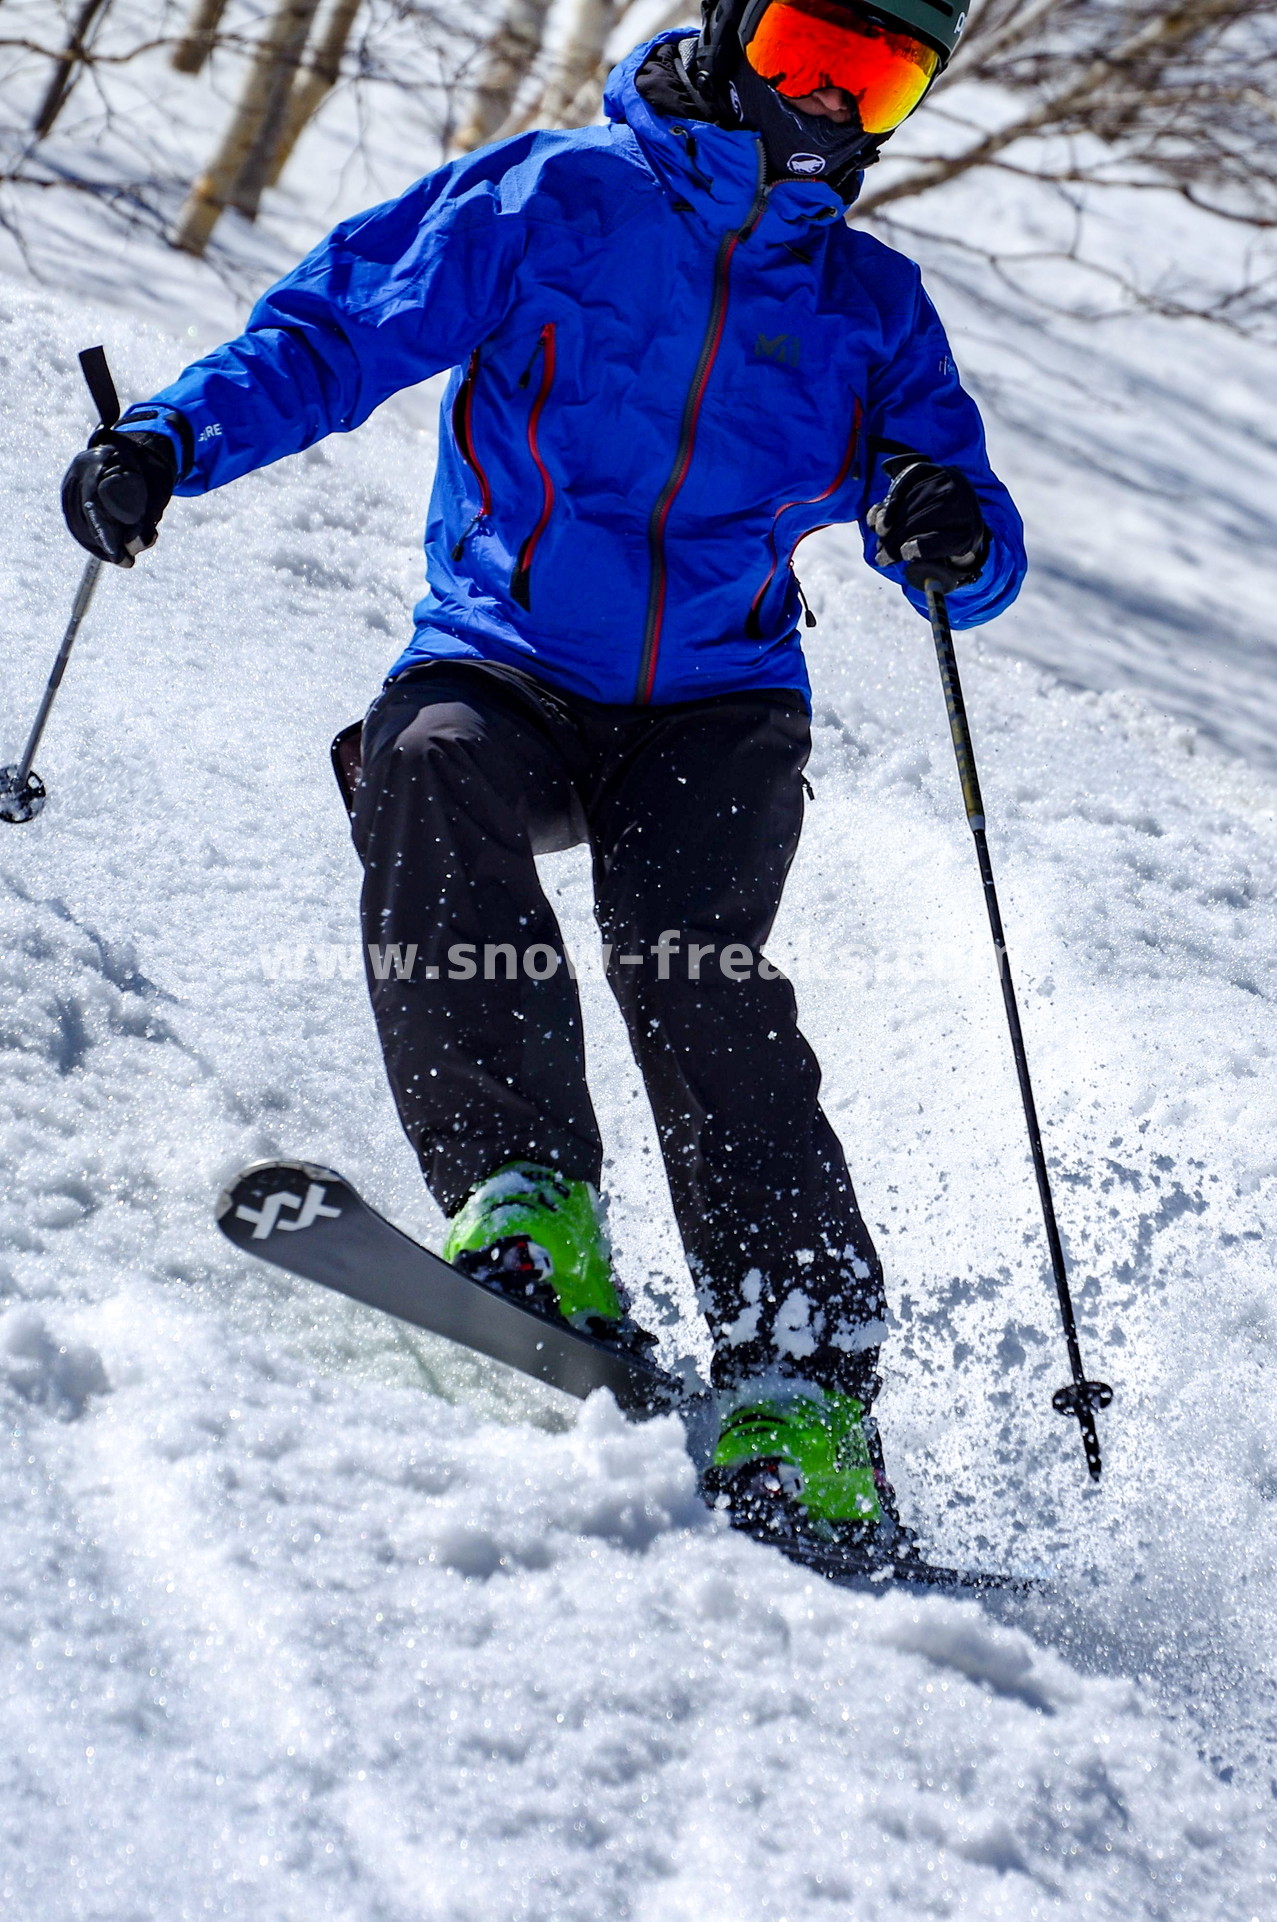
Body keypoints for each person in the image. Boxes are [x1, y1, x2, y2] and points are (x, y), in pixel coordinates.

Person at [62, 0, 1025, 1562]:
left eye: (879, 79)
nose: (830, 108)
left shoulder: (867, 304)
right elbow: (339, 325)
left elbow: (963, 518)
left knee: (690, 961)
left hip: (717, 701)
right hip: (505, 654)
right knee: (428, 766)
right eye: (804, 51)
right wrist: (171, 441)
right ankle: (530, 1204)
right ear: (727, 25)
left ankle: (802, 1370)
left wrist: (946, 530)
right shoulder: (552, 195)